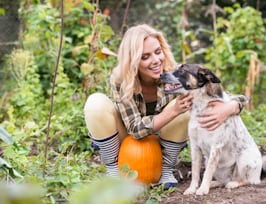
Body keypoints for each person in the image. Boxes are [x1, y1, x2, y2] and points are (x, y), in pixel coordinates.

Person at [84, 24, 243, 189]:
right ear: (132, 60)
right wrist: (174, 111)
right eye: (145, 57)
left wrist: (231, 106)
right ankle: (113, 168)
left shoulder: (175, 74)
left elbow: (222, 94)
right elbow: (135, 129)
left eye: (158, 52)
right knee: (95, 103)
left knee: (186, 102)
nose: (156, 61)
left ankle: (165, 169)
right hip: (128, 141)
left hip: (163, 143)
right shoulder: (121, 79)